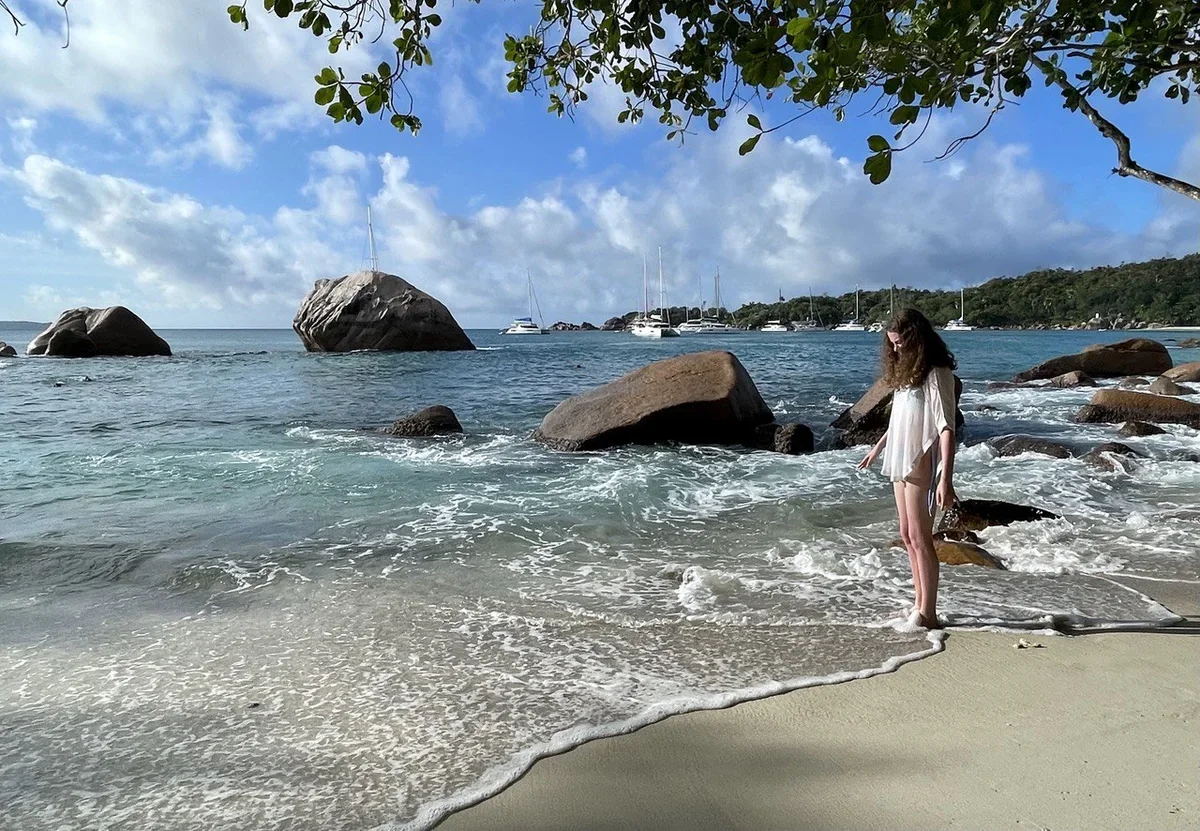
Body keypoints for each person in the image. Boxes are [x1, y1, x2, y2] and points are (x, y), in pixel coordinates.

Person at [858, 309, 958, 629]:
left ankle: (928, 613)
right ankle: (918, 602)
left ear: (916, 338)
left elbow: (946, 426)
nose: (896, 348)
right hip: (898, 459)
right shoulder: (906, 373)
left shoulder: (936, 372)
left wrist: (945, 479)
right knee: (906, 534)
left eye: (900, 342)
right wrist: (877, 448)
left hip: (921, 460)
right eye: (892, 344)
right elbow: (900, 420)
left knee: (920, 536)